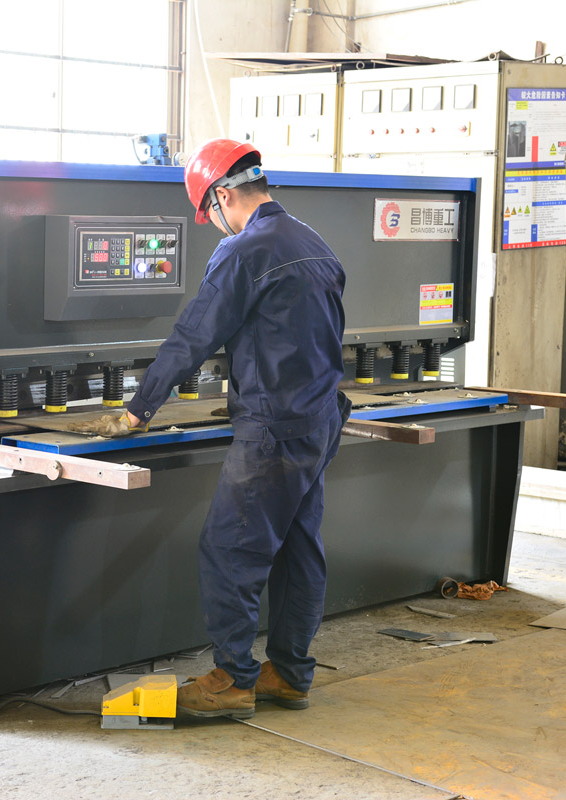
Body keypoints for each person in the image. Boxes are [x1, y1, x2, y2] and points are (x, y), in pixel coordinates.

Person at [123, 139, 350, 719]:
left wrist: (139, 408)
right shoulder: (314, 242)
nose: (214, 224)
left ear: (222, 196)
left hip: (273, 429)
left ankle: (232, 680)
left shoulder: (244, 251)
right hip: (320, 419)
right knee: (299, 548)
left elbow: (193, 337)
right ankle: (290, 674)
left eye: (209, 212)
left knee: (230, 549)